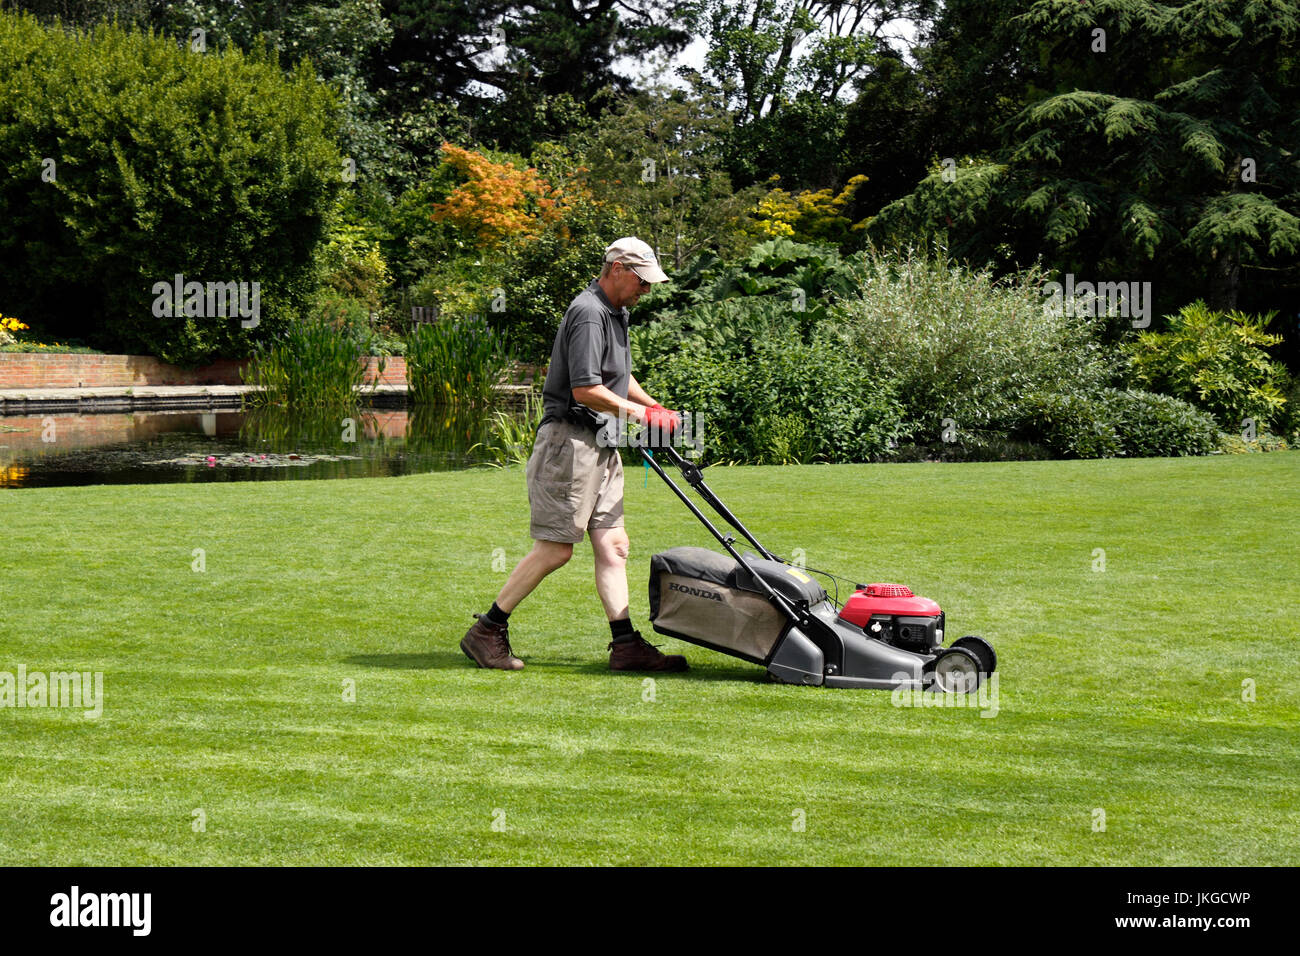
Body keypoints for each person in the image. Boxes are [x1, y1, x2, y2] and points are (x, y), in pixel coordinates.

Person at [460, 237, 689, 673]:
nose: (647, 290)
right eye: (642, 281)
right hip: (570, 443)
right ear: (617, 268)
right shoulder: (587, 313)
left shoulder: (615, 312)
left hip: (601, 441)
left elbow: (618, 375)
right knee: (556, 549)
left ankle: (625, 646)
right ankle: (487, 630)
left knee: (614, 546)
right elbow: (586, 389)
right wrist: (643, 416)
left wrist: (653, 406)